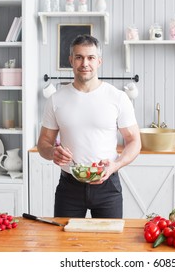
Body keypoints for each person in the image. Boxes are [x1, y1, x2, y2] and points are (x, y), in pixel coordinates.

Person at [37, 35, 141, 219]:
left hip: (107, 185)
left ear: (99, 61)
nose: (85, 63)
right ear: (71, 60)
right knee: (65, 243)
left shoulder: (117, 97)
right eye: (79, 57)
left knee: (109, 245)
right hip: (69, 187)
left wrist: (115, 165)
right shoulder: (56, 99)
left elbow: (134, 141)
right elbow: (43, 143)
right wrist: (52, 152)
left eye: (91, 57)